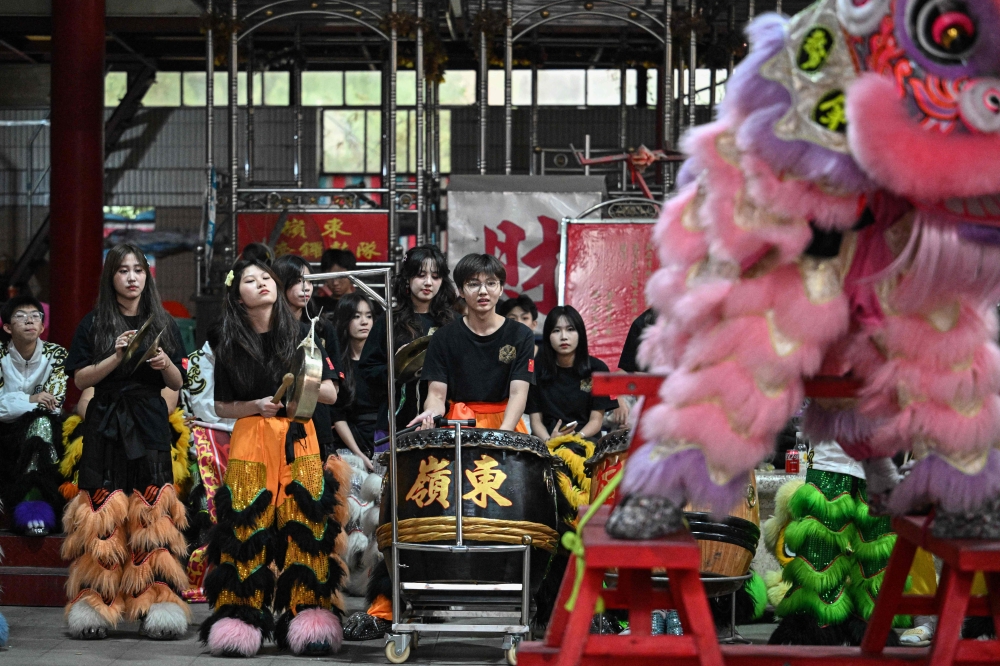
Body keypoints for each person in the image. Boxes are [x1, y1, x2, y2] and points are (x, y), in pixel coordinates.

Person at [199, 258, 346, 658]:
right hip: (251, 437)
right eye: (250, 280)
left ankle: (309, 616)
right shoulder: (228, 341)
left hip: (300, 437)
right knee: (247, 525)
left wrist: (304, 390)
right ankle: (240, 620)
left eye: (266, 277)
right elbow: (222, 407)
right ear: (237, 296)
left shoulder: (304, 333)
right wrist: (254, 405)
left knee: (306, 525)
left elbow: (332, 395)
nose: (261, 283)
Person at [62, 243, 190, 641]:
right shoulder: (93, 323)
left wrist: (165, 363)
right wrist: (116, 356)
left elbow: (178, 383)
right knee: (102, 516)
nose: (132, 277)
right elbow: (80, 380)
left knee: (151, 516)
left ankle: (157, 607)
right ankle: (94, 608)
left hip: (150, 423)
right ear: (111, 277)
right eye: (123, 270)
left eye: (138, 270)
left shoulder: (165, 323)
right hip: (105, 425)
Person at [411, 253, 535, 432]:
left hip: (506, 423)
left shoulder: (521, 334)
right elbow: (437, 394)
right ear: (460, 291)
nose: (483, 291)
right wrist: (431, 413)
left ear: (501, 289)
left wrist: (501, 436)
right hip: (459, 424)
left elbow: (518, 393)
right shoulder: (443, 337)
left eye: (491, 283)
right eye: (473, 284)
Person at [358, 245, 458, 444]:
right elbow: (367, 369)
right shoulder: (389, 321)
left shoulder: (453, 323)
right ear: (407, 278)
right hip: (394, 421)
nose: (428, 282)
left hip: (444, 421)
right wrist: (398, 369)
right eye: (421, 275)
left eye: (436, 276)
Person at [0, 295, 68, 536]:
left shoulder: (57, 355)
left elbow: (54, 405)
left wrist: (13, 403)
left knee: (40, 423)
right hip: (3, 434)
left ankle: (34, 504)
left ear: (42, 326)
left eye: (35, 316)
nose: (29, 320)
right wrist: (31, 399)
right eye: (20, 316)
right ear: (7, 327)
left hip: (43, 433)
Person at [180, 322, 236, 602]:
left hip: (240, 433)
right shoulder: (192, 363)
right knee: (207, 500)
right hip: (202, 437)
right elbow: (203, 411)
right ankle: (203, 572)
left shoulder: (243, 358)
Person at [272, 254, 344, 458]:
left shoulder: (321, 327)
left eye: (309, 281)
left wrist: (292, 386)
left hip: (316, 422)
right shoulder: (268, 329)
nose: (306, 287)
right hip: (276, 423)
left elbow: (333, 389)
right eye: (297, 281)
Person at [527, 305, 617, 441]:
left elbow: (596, 421)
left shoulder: (597, 369)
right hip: (547, 440)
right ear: (548, 336)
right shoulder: (536, 369)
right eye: (556, 330)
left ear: (580, 333)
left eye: (570, 330)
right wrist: (550, 441)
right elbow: (536, 422)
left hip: (585, 439)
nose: (564, 337)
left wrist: (575, 438)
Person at [330, 293, 379, 471]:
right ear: (345, 321)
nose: (364, 322)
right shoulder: (337, 363)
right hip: (351, 442)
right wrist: (360, 455)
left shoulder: (384, 360)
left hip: (383, 436)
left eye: (369, 316)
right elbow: (337, 415)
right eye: (356, 316)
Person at [311, 248, 357, 315]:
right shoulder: (317, 306)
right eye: (330, 276)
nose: (335, 283)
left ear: (352, 274)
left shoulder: (362, 304)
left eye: (340, 276)